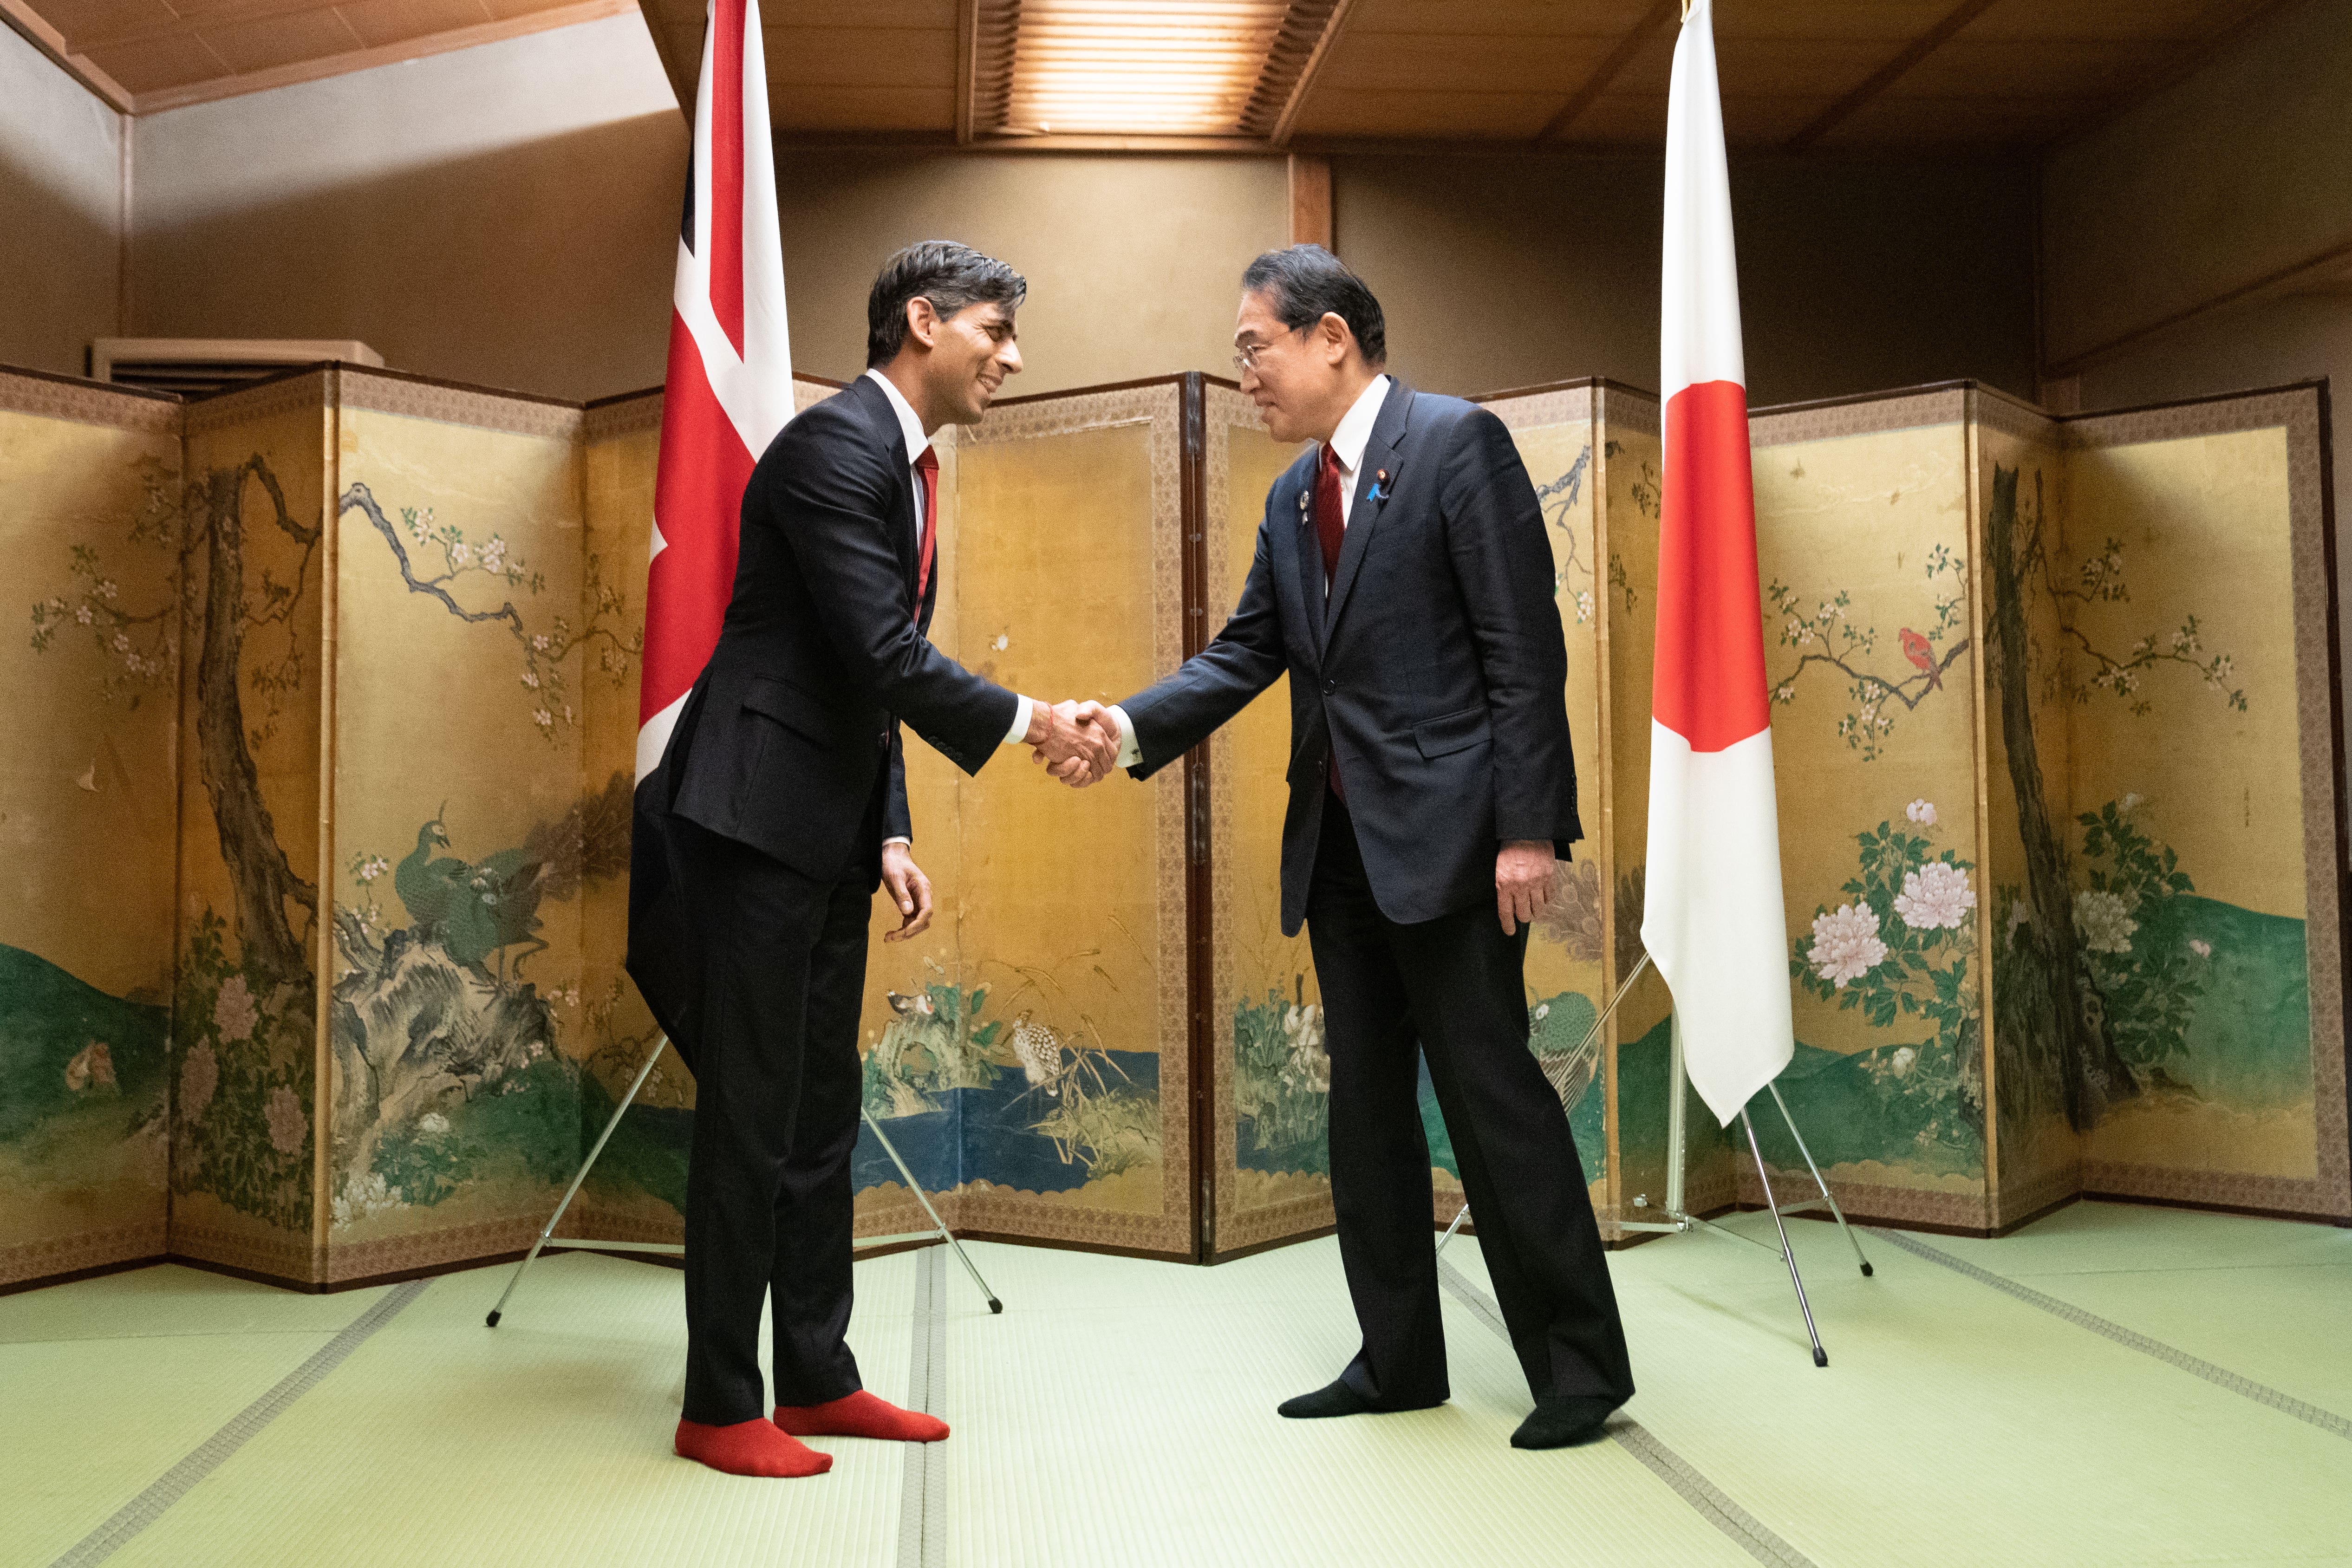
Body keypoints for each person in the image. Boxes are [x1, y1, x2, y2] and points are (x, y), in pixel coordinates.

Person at [1082, 245, 1634, 1449]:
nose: (1246, 376)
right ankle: (1397, 1355)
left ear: (1331, 335)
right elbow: (1243, 654)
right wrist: (1123, 727)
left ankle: (1578, 1363)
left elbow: (1519, 650)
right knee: (1365, 1109)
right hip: (1337, 845)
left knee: (1493, 1099)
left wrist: (1527, 829)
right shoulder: (1292, 497)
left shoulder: (1455, 443)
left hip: (1454, 842)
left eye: (1253, 347)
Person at [627, 241, 1119, 1479]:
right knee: (750, 1112)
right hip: (748, 821)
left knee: (819, 1115)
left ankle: (817, 1376)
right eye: (995, 330)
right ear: (922, 320)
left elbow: (866, 671)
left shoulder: (900, 465)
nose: (1011, 355)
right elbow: (881, 654)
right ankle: (719, 1403)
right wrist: (1031, 721)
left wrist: (890, 829)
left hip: (824, 828)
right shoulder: (832, 450)